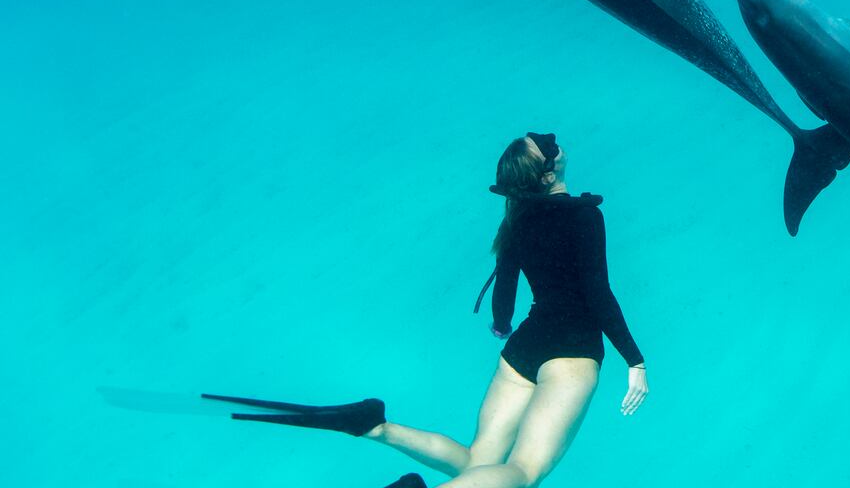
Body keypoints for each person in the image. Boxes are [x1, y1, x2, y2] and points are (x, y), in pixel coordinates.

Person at [204, 132, 649, 488]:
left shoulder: (518, 218)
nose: (554, 142)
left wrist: (501, 326)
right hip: (570, 353)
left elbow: (506, 291)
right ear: (549, 173)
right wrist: (635, 360)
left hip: (523, 350)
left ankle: (376, 427)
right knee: (523, 474)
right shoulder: (583, 216)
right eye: (548, 146)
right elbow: (597, 291)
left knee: (478, 463)